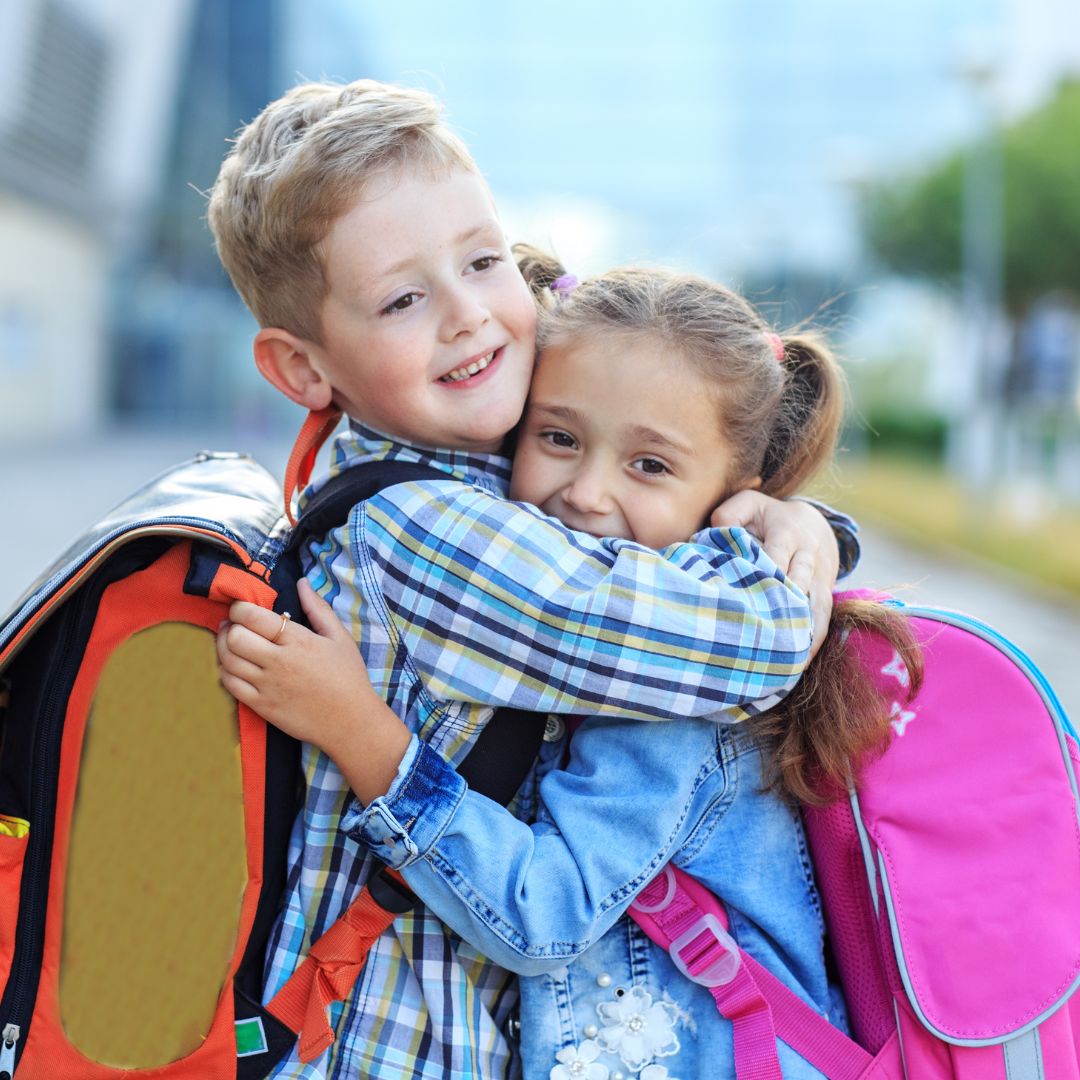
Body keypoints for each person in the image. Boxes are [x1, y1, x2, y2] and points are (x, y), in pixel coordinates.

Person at [208, 78, 861, 1079]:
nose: (470, 317)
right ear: (303, 368)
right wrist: (799, 541)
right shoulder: (429, 531)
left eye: (481, 261)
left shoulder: (475, 470)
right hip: (392, 1044)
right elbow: (751, 647)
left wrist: (779, 507)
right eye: (403, 298)